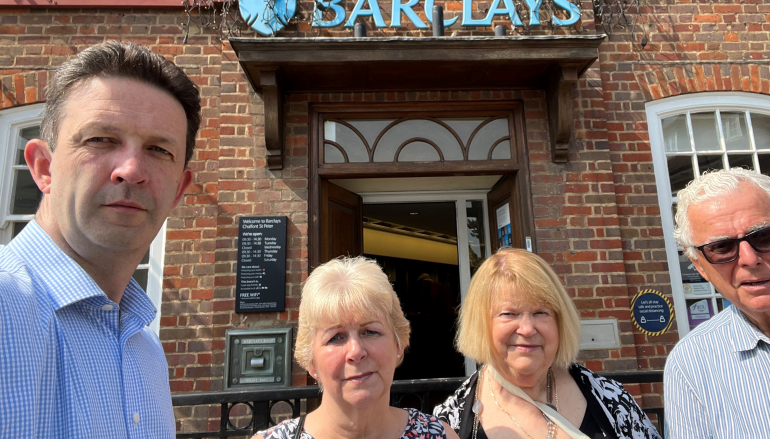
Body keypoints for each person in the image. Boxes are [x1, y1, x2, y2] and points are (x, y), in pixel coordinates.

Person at [0, 41, 201, 438]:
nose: (131, 169)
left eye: (158, 149)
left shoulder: (146, 351)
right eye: (100, 140)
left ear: (178, 190)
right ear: (43, 168)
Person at [664, 168, 770, 438]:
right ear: (699, 267)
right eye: (722, 247)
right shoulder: (692, 364)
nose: (749, 259)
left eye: (764, 236)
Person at [434, 248, 661, 439]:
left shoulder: (611, 399)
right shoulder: (449, 422)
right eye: (509, 313)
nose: (527, 328)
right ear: (482, 324)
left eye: (541, 312)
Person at [252, 256, 460, 439]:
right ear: (310, 360)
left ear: (399, 343)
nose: (356, 351)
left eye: (370, 332)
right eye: (335, 337)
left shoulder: (439, 435)